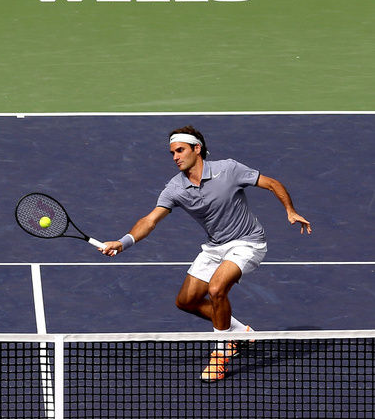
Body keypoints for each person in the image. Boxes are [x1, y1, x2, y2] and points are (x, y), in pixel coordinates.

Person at [100, 125, 311, 381]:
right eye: (172, 153)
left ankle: (220, 354)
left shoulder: (229, 169)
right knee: (185, 301)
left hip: (248, 242)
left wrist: (290, 210)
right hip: (215, 246)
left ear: (196, 149)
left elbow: (272, 183)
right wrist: (124, 242)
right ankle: (239, 332)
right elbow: (150, 220)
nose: (175, 157)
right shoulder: (175, 188)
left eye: (180, 150)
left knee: (216, 289)